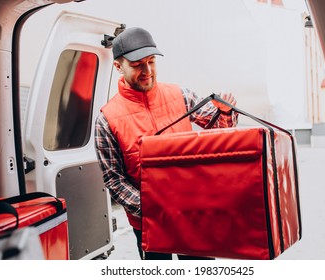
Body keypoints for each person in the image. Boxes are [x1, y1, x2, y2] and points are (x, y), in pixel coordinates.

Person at [94, 27, 238, 260]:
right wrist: (153, 208)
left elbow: (220, 132)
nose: (147, 71)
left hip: (193, 214)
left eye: (151, 62)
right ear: (119, 67)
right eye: (137, 64)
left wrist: (225, 112)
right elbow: (114, 179)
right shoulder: (107, 120)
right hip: (149, 221)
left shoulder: (179, 95)